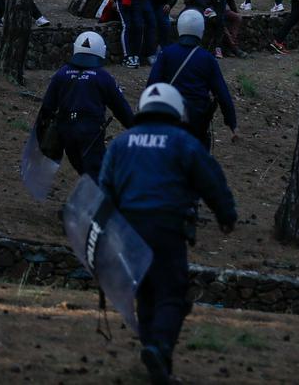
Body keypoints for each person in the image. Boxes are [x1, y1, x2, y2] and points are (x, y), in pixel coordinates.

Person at [97, 83, 237, 385]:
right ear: (176, 111)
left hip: (128, 230)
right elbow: (211, 180)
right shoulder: (183, 142)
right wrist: (226, 215)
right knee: (172, 295)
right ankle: (159, 349)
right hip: (167, 228)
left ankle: (156, 362)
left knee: (146, 295)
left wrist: (100, 231)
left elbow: (104, 188)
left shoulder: (122, 144)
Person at [36, 31, 135, 181]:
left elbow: (47, 108)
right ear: (101, 51)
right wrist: (137, 129)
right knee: (96, 172)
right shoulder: (103, 77)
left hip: (65, 130)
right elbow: (121, 108)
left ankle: (90, 198)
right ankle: (98, 200)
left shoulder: (61, 74)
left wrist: (41, 136)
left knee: (82, 168)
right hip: (90, 132)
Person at [147, 10, 237, 150]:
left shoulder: (166, 54)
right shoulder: (207, 59)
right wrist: (232, 123)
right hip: (197, 120)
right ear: (201, 30)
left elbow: (152, 86)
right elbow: (222, 92)